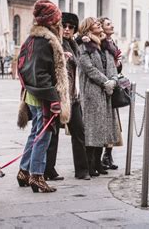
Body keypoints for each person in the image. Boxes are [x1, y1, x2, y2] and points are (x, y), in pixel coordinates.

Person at [16, 0, 70, 193]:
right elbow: (41, 73)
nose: (60, 23)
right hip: (43, 96)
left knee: (35, 134)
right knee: (43, 136)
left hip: (32, 94)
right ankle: (37, 176)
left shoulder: (31, 39)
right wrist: (54, 99)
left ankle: (23, 171)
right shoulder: (44, 40)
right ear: (51, 21)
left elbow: (27, 66)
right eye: (58, 19)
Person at [44, 12, 91, 181]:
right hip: (59, 96)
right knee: (53, 134)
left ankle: (82, 170)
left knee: (79, 131)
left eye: (71, 27)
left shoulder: (74, 45)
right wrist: (61, 59)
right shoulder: (54, 43)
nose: (67, 29)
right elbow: (48, 65)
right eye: (64, 26)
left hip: (74, 97)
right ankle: (49, 169)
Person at [77, 17, 119, 177]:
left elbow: (112, 66)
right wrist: (105, 82)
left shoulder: (105, 45)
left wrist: (113, 80)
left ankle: (98, 163)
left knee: (102, 128)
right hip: (92, 93)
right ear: (88, 29)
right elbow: (88, 68)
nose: (99, 25)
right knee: (92, 129)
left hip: (106, 92)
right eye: (96, 24)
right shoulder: (83, 46)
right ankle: (89, 164)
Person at [98, 17, 124, 170]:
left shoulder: (112, 43)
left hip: (113, 86)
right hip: (104, 85)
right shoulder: (101, 44)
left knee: (114, 123)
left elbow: (116, 66)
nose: (112, 25)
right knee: (105, 122)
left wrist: (118, 65)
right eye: (108, 24)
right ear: (101, 27)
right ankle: (102, 156)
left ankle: (108, 155)